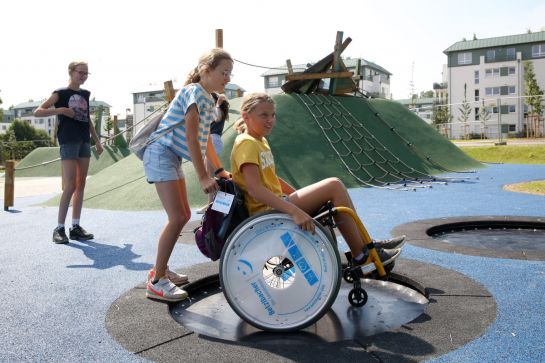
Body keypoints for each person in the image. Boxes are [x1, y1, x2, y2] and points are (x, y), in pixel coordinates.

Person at [230, 93, 405, 270]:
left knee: (332, 192)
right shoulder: (247, 143)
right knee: (334, 186)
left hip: (275, 205)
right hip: (266, 215)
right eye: (264, 115)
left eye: (273, 115)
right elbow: (255, 189)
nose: (270, 120)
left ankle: (365, 243)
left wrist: (298, 194)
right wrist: (295, 210)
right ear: (246, 116)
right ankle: (361, 254)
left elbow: (271, 177)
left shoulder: (260, 141)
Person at [143, 48, 233, 302]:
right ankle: (157, 282)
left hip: (169, 155)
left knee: (181, 216)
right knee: (178, 216)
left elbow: (204, 140)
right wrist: (203, 176)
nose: (227, 78)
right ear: (206, 70)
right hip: (160, 153)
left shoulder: (209, 97)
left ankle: (159, 269)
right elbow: (192, 137)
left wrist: (218, 171)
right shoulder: (194, 92)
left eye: (230, 73)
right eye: (223, 72)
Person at [34, 61, 104, 245]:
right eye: (80, 72)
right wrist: (61, 110)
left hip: (84, 141)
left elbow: (86, 117)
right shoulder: (61, 93)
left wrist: (96, 140)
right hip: (68, 140)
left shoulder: (85, 94)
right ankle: (58, 228)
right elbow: (38, 112)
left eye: (86, 73)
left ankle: (75, 227)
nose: (83, 76)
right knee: (71, 184)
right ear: (71, 72)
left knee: (81, 185)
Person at [197, 92, 229, 213]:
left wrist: (218, 103)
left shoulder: (218, 110)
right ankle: (212, 204)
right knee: (209, 174)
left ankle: (211, 205)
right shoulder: (213, 110)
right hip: (210, 142)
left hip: (213, 142)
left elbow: (218, 117)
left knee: (209, 175)